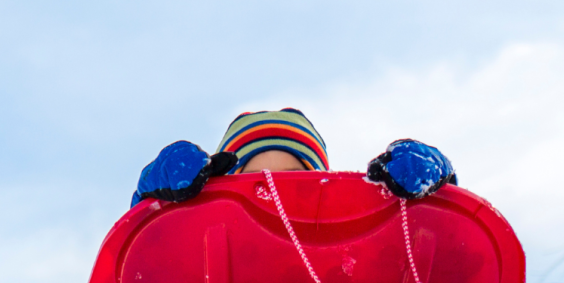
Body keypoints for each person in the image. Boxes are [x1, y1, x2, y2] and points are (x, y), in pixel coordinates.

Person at [130, 108, 456, 208]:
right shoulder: (203, 260)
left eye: (290, 179)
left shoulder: (357, 262)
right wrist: (155, 210)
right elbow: (143, 273)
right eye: (255, 180)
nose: (274, 191)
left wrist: (433, 200)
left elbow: (450, 266)